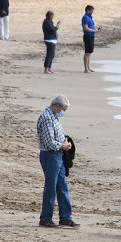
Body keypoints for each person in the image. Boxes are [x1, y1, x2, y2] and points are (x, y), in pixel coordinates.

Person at [37, 95, 78, 228]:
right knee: (51, 187)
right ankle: (46, 218)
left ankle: (65, 217)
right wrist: (63, 146)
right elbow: (49, 142)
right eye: (63, 109)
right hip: (50, 155)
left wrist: (66, 143)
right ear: (57, 106)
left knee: (62, 186)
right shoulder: (47, 117)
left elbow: (56, 136)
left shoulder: (53, 116)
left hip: (57, 155)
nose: (63, 113)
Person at [82, 5, 99, 73]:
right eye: (91, 11)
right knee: (87, 53)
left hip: (91, 36)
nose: (92, 12)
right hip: (88, 36)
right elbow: (85, 28)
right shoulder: (85, 17)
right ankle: (86, 69)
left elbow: (90, 27)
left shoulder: (89, 17)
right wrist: (94, 31)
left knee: (89, 53)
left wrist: (95, 29)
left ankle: (88, 67)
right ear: (88, 10)